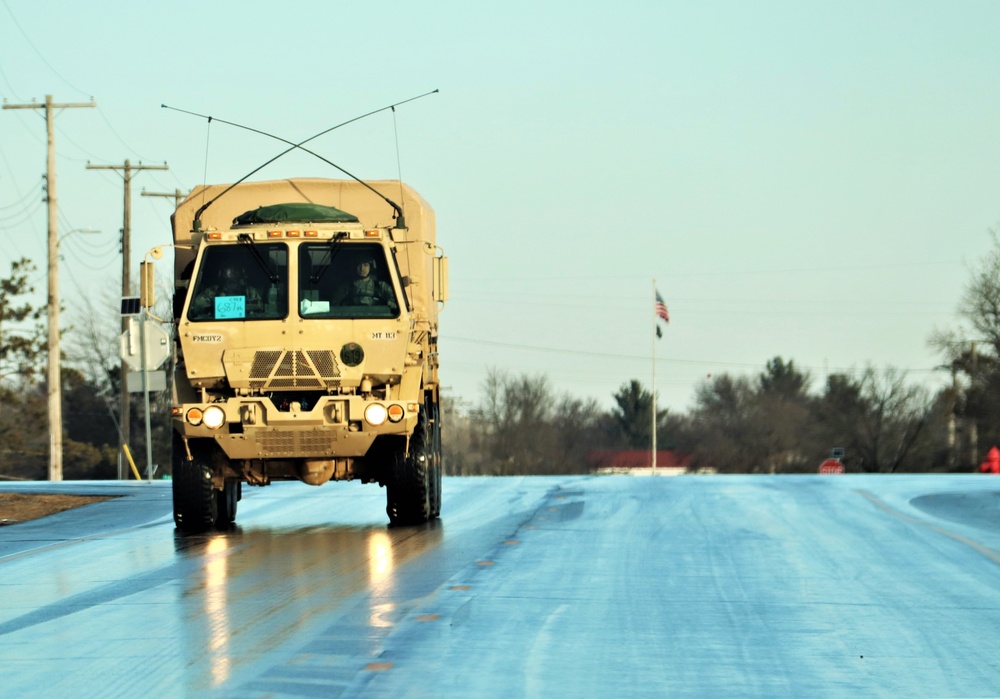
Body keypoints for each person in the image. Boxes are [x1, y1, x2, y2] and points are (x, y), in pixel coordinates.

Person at [190, 263, 263, 318]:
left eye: (235, 270)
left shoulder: (250, 291)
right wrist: (212, 308)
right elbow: (197, 307)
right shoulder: (212, 291)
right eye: (228, 270)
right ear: (222, 275)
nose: (232, 272)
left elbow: (259, 307)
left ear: (241, 274)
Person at [332, 256, 396, 309]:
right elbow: (335, 306)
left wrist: (387, 304)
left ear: (371, 267)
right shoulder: (346, 287)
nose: (362, 268)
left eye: (365, 265)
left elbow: (397, 304)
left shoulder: (381, 286)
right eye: (359, 265)